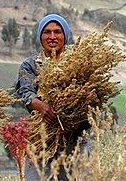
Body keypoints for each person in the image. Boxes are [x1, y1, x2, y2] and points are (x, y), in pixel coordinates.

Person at [15, 14, 90, 181]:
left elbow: (92, 98)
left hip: (75, 140)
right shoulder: (30, 64)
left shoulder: (80, 63)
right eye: (47, 32)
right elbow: (25, 92)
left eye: (57, 32)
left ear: (65, 35)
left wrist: (73, 119)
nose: (52, 37)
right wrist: (41, 106)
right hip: (41, 140)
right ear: (40, 36)